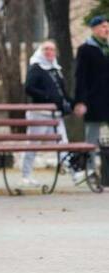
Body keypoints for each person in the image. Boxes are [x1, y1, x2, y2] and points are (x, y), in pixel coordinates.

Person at [21, 40, 74, 187]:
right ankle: (26, 175)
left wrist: (72, 103)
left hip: (55, 115)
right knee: (33, 144)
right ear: (41, 51)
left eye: (52, 50)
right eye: (46, 49)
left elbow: (62, 92)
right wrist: (47, 97)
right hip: (39, 113)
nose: (49, 52)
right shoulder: (36, 68)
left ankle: (74, 172)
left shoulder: (56, 69)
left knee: (63, 143)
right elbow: (29, 88)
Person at [75, 15, 109, 171]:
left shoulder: (107, 48)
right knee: (92, 137)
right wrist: (80, 101)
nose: (106, 29)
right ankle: (89, 170)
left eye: (107, 26)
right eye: (103, 26)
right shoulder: (86, 49)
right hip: (94, 99)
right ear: (94, 29)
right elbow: (80, 77)